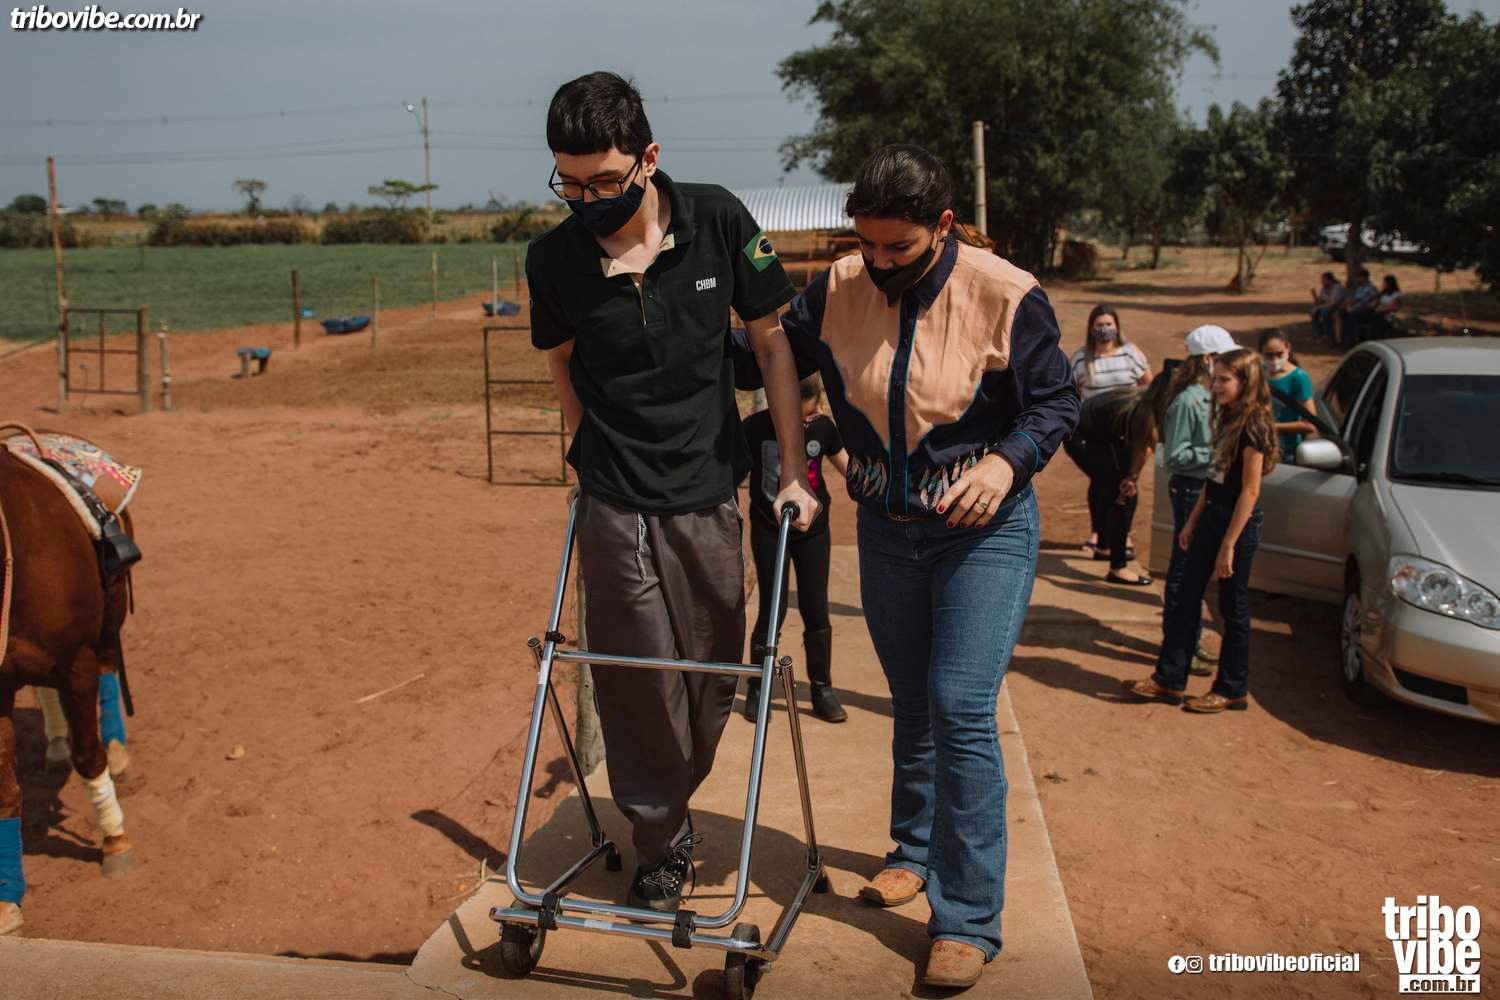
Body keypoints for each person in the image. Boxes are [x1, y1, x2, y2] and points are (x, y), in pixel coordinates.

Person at [779, 144, 1078, 988]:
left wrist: (1007, 463)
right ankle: (912, 851)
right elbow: (768, 351)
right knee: (912, 700)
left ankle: (968, 919)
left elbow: (1058, 401)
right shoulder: (835, 287)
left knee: (959, 705)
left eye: (898, 248)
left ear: (943, 226)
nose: (878, 263)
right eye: (866, 244)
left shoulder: (1006, 293)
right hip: (887, 529)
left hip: (983, 531)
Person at [525, 72, 819, 914]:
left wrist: (792, 472)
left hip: (706, 487)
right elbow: (561, 362)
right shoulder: (554, 258)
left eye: (605, 182)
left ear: (648, 159)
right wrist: (586, 456)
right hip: (615, 495)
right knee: (635, 675)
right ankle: (660, 838)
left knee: (710, 669)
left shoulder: (717, 219)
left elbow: (772, 348)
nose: (588, 201)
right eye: (569, 185)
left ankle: (673, 793)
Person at [1125, 347, 1277, 713]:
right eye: (1215, 378)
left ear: (1246, 382)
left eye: (1225, 380)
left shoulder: (1255, 424)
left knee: (1232, 607)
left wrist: (1229, 544)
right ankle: (1169, 679)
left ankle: (1231, 688)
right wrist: (1193, 521)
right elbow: (1214, 477)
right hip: (1210, 518)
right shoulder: (1225, 415)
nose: (1217, 385)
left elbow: (1250, 490)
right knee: (1185, 596)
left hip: (1236, 525)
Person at [741, 374, 849, 724]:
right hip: (770, 529)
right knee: (773, 607)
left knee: (815, 607)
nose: (808, 423)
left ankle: (822, 689)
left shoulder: (823, 428)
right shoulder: (754, 428)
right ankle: (758, 687)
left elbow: (850, 469)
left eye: (813, 415)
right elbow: (731, 471)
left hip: (813, 530)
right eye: (802, 417)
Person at [1159, 325, 1237, 676]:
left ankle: (1188, 641)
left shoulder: (1211, 398)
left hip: (1203, 489)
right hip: (1190, 490)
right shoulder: (1187, 401)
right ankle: (1178, 646)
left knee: (1194, 572)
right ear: (1207, 359)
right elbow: (1175, 457)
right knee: (1183, 572)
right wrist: (1217, 456)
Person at [1068, 306, 1151, 557]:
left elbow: (1149, 386)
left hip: (1126, 429)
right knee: (1102, 480)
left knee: (1127, 479)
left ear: (1117, 327)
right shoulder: (1081, 358)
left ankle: (1122, 535)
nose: (1104, 329)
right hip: (1094, 431)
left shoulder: (1131, 354)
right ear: (1091, 328)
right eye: (1099, 324)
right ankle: (1099, 534)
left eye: (1108, 324)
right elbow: (1071, 393)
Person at [1071, 386, 1160, 585]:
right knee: (1121, 491)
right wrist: (1130, 479)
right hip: (1081, 436)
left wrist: (1132, 476)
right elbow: (1149, 448)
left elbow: (1142, 447)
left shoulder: (1147, 404)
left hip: (1103, 436)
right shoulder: (1146, 412)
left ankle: (1104, 548)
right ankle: (1118, 568)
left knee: (1120, 487)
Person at [1259, 329, 1316, 463]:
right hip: (1261, 449)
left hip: (1287, 454)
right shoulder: (1259, 373)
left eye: (1279, 354)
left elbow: (1309, 425)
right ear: (1261, 353)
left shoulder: (1299, 378)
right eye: (1269, 355)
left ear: (1288, 348)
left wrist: (1271, 427)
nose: (1274, 360)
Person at [1342, 268, 1379, 344]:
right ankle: (1345, 339)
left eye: (1359, 277)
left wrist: (1353, 307)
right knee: (1342, 313)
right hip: (1357, 309)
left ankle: (1352, 341)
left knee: (1352, 315)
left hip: (1365, 311)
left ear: (1365, 277)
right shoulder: (1360, 288)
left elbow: (1374, 300)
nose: (1357, 279)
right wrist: (1348, 305)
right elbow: (1355, 299)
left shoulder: (1371, 288)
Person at [1309, 271, 1345, 341]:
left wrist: (1318, 307)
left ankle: (1327, 334)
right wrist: (1314, 295)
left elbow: (1333, 303)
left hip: (1337, 307)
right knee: (1314, 312)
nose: (1322, 282)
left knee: (1324, 312)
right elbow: (1320, 301)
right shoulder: (1325, 288)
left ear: (1329, 280)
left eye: (1323, 280)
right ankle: (1318, 334)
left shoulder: (1337, 288)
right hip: (1327, 306)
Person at [1373, 274, 1402, 338]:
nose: (1383, 284)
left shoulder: (1396, 294)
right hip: (1379, 314)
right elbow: (1374, 304)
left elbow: (1392, 307)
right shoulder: (1383, 294)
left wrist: (1381, 308)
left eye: (1385, 283)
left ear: (1390, 284)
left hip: (1388, 316)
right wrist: (1379, 295)